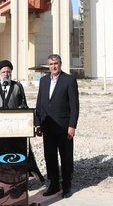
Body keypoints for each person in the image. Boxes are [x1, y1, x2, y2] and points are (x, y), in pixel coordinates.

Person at [0, 60, 44, 199]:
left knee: (15, 157)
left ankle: (16, 185)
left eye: (8, 71)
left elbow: (24, 105)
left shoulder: (17, 86)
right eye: (3, 72)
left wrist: (30, 123)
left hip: (15, 131)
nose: (6, 74)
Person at [35, 54, 79, 198]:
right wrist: (38, 123)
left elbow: (74, 106)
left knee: (66, 157)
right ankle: (54, 184)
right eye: (51, 64)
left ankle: (67, 186)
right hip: (47, 127)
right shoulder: (43, 81)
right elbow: (40, 103)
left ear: (60, 64)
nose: (54, 66)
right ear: (48, 65)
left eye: (56, 63)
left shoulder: (69, 80)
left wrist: (72, 126)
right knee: (50, 157)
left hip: (64, 127)